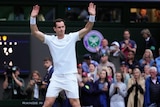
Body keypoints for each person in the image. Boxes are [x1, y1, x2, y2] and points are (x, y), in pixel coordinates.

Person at [30, 2, 96, 107]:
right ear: (55, 29)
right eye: (59, 27)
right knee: (48, 103)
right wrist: (33, 18)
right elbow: (35, 32)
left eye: (63, 27)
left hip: (70, 76)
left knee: (75, 103)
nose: (61, 29)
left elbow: (87, 28)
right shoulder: (50, 40)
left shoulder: (72, 37)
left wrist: (92, 16)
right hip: (57, 77)